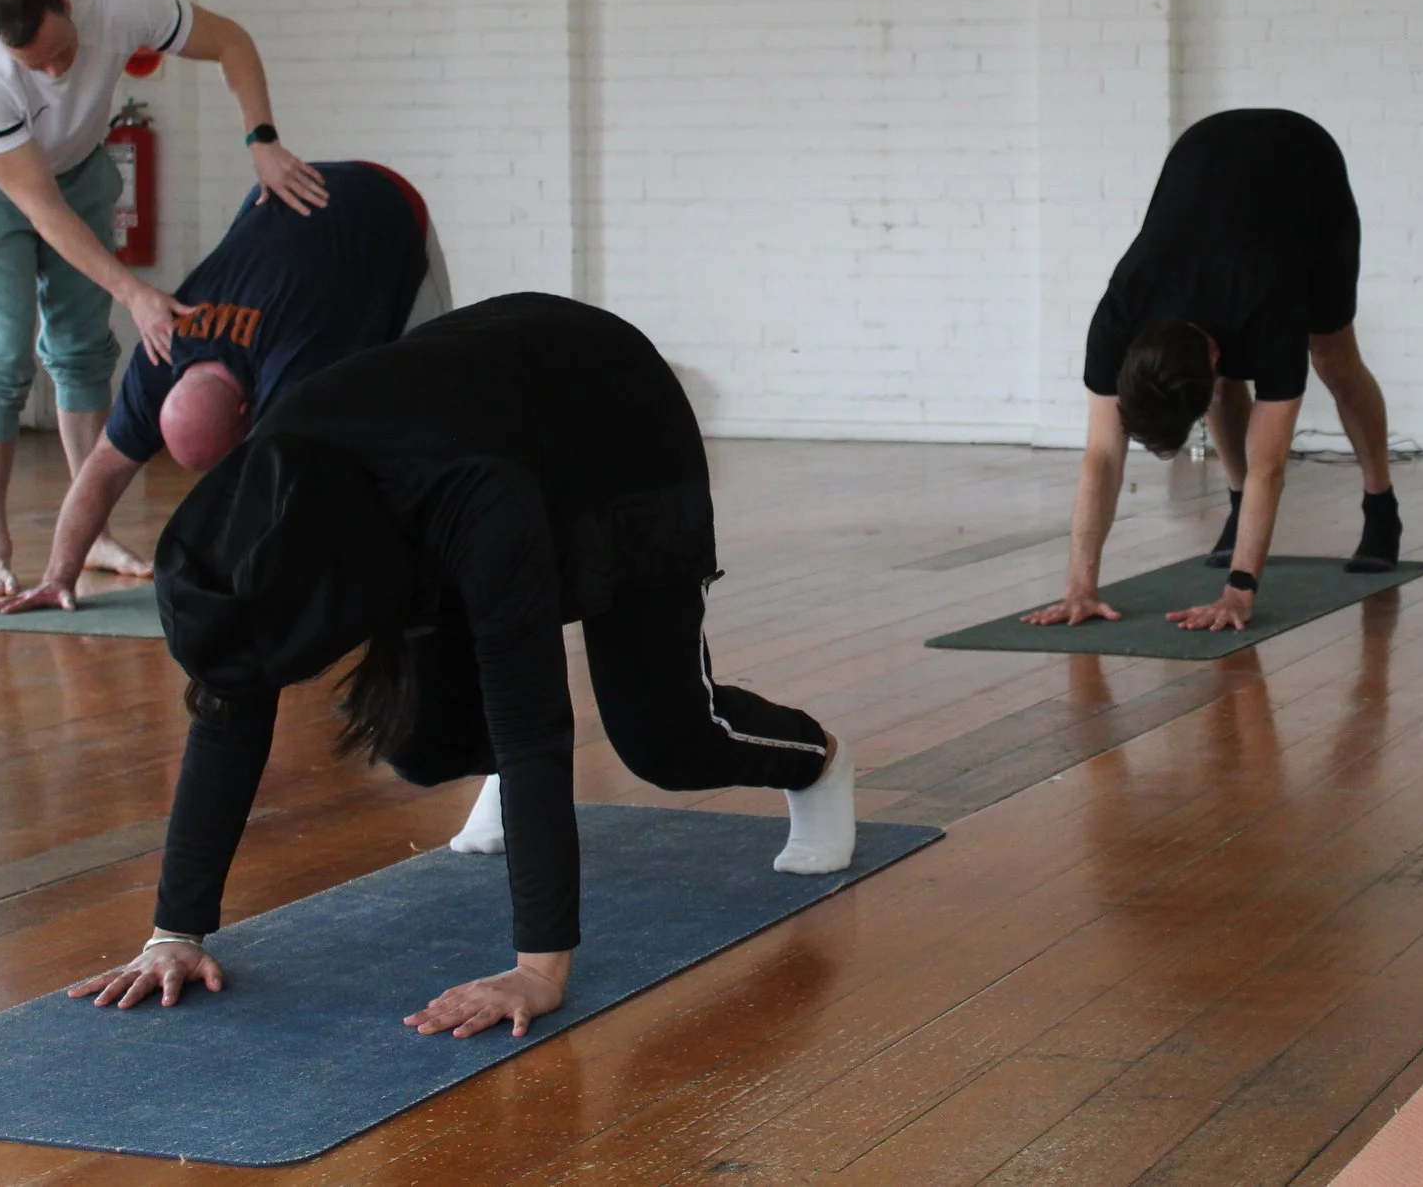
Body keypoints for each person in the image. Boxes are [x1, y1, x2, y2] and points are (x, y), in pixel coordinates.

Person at [65, 295, 857, 1039]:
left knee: (664, 739)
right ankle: (495, 780)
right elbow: (228, 707)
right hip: (462, 432)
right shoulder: (263, 512)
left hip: (614, 423)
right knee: (420, 739)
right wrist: (174, 931)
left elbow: (536, 722)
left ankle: (818, 761)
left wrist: (538, 970)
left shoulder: (473, 503)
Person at [0, 0, 327, 597]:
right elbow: (43, 210)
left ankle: (97, 535)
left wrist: (262, 141)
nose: (57, 74)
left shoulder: (114, 5)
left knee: (82, 346)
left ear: (67, 5)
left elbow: (232, 41)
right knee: (1, 353)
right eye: (37, 67)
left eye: (63, 53)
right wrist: (135, 292)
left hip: (79, 167)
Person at [0, 160, 447, 616]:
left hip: (385, 204)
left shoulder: (296, 368)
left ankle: (439, 554)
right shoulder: (159, 353)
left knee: (425, 386)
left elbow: (289, 486)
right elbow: (103, 466)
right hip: (282, 196)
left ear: (248, 409)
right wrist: (59, 576)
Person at [1026, 109, 1400, 635]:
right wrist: (1079, 588)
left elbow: (1270, 463)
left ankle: (1381, 504)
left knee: (1333, 357)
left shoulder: (1269, 312)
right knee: (1227, 394)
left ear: (1215, 357)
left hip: (1305, 169)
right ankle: (1236, 503)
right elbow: (1102, 457)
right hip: (1205, 155)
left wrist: (1240, 589)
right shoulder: (1118, 315)